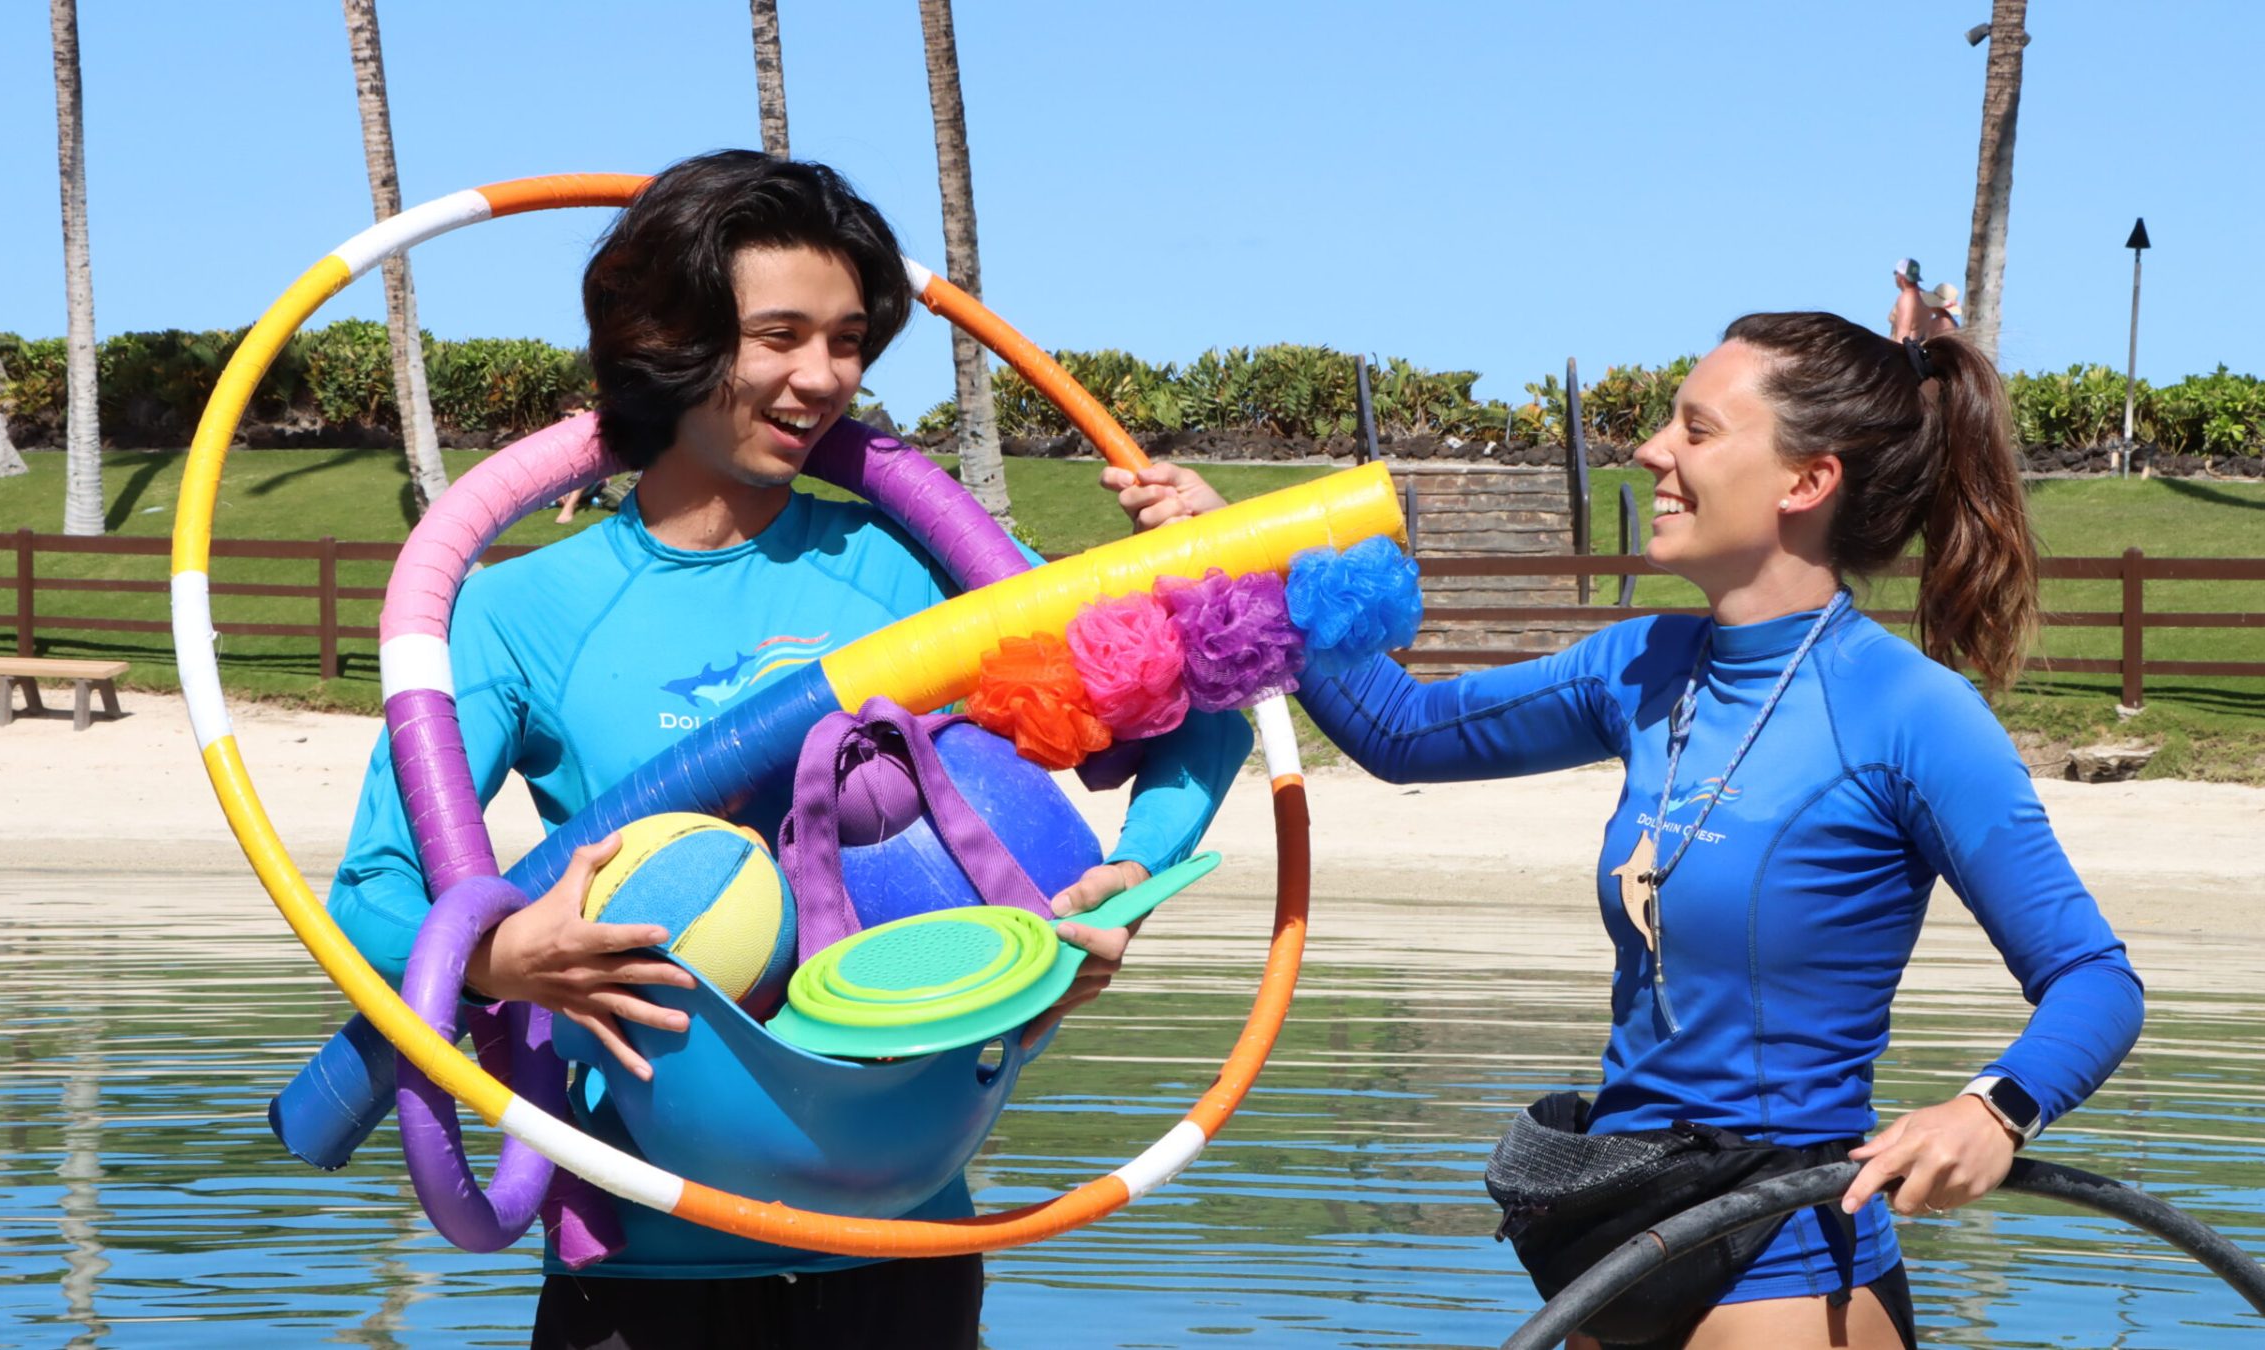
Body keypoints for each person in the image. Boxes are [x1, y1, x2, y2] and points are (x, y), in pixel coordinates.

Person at [327, 150, 1250, 1349]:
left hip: (899, 1243)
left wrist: (1138, 871)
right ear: (671, 336)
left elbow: (1203, 712)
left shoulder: (915, 571)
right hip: (641, 1269)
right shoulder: (526, 609)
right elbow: (374, 890)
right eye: (778, 336)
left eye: (850, 339)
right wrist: (504, 957)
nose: (824, 379)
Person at [1102, 314, 2143, 1350]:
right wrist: (1238, 544)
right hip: (1621, 1223)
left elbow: (2094, 977)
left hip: (1785, 1248)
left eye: (1696, 430)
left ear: (1805, 482)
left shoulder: (1911, 713)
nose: (1652, 451)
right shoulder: (1642, 664)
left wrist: (1993, 1110)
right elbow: (1401, 729)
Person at [1886, 259, 1961, 343]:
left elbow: (1903, 336)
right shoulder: (1926, 297)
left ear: (1900, 277)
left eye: (1895, 273)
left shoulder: (1908, 297)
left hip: (1903, 351)